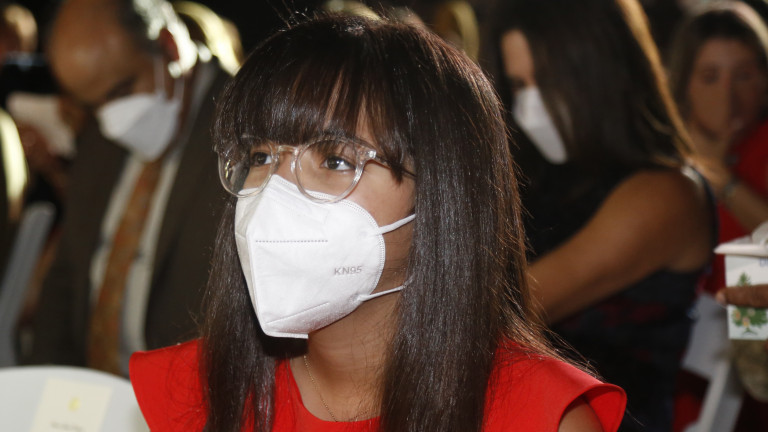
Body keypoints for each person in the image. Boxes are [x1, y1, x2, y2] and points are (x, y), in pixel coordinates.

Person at [129, 14, 627, 432]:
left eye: (335, 161)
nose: (275, 192)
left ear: (442, 192)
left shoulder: (538, 416)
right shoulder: (190, 393)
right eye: (260, 156)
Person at [493, 0, 714, 431]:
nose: (530, 106)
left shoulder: (666, 194)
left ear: (603, 72)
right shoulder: (544, 174)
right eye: (519, 85)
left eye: (547, 82)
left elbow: (514, 307)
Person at [26, 0, 228, 376]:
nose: (111, 122)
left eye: (121, 91)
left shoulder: (251, 128)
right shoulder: (100, 136)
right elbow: (68, 273)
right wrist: (49, 383)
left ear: (169, 46)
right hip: (86, 387)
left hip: (185, 391)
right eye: (93, 106)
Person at [669, 1, 768, 297]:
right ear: (685, 84)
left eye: (744, 76)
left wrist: (722, 180)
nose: (727, 95)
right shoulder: (662, 153)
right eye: (710, 77)